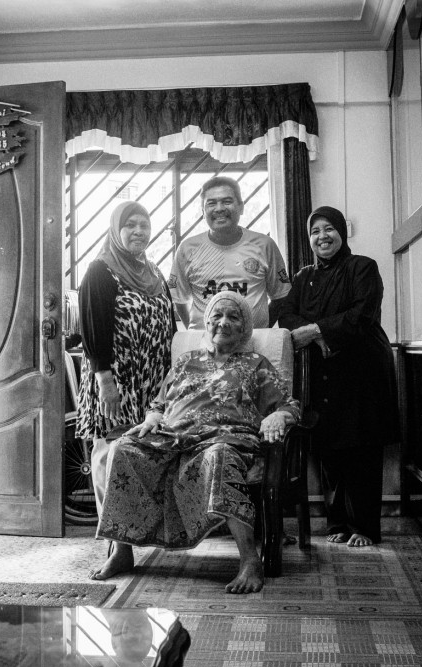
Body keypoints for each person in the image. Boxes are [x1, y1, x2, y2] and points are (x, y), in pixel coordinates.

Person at [90, 290, 300, 593]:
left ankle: (250, 560)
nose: (223, 322)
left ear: (244, 328)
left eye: (233, 317)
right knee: (123, 447)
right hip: (174, 438)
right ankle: (122, 552)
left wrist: (278, 416)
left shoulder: (256, 363)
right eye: (217, 315)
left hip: (224, 439)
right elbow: (159, 404)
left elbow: (289, 404)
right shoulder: (187, 361)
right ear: (207, 322)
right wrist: (151, 419)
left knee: (220, 455)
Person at [274, 206, 400, 548]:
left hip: (362, 370)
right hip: (322, 372)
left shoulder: (362, 267)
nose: (322, 237)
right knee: (328, 449)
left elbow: (362, 313)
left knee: (361, 449)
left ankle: (365, 527)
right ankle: (337, 523)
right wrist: (317, 336)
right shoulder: (302, 278)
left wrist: (317, 330)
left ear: (342, 232)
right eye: (315, 231)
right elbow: (285, 313)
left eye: (328, 229)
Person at [76, 201, 176, 526]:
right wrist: (106, 383)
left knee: (144, 454)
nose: (138, 231)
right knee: (110, 454)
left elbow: (171, 327)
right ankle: (115, 540)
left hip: (152, 382)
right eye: (130, 224)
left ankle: (141, 530)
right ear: (116, 229)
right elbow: (93, 331)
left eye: (144, 225)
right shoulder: (100, 270)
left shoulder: (155, 273)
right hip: (116, 380)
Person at [169, 176, 291, 330]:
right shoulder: (187, 248)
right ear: (203, 211)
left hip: (253, 343)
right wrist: (198, 331)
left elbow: (281, 296)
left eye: (227, 201)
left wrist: (260, 329)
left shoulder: (265, 245)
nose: (219, 208)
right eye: (211, 203)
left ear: (241, 207)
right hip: (203, 345)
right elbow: (179, 300)